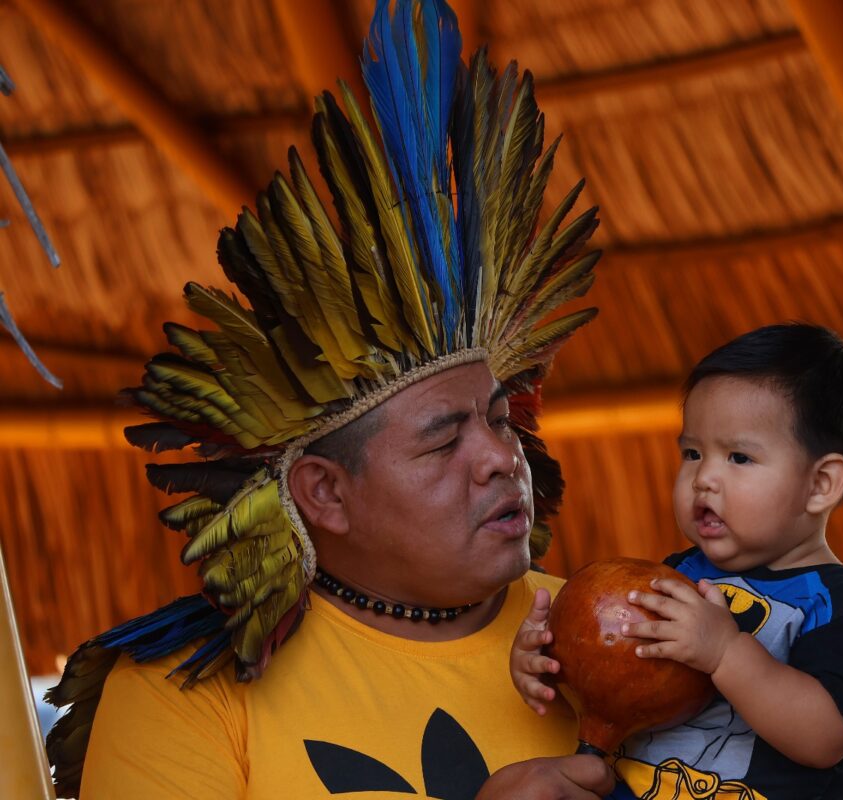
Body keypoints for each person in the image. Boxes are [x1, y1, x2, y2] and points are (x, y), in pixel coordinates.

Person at [42, 1, 613, 797]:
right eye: (444, 440)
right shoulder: (182, 697)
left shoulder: (615, 632)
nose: (500, 459)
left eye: (495, 418)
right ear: (324, 493)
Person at [513, 324, 843, 798]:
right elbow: (615, 677)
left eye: (739, 457)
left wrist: (725, 653)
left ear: (821, 484)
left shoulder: (842, 610)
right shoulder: (673, 578)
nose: (704, 478)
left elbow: (824, 739)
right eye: (693, 453)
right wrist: (551, 659)